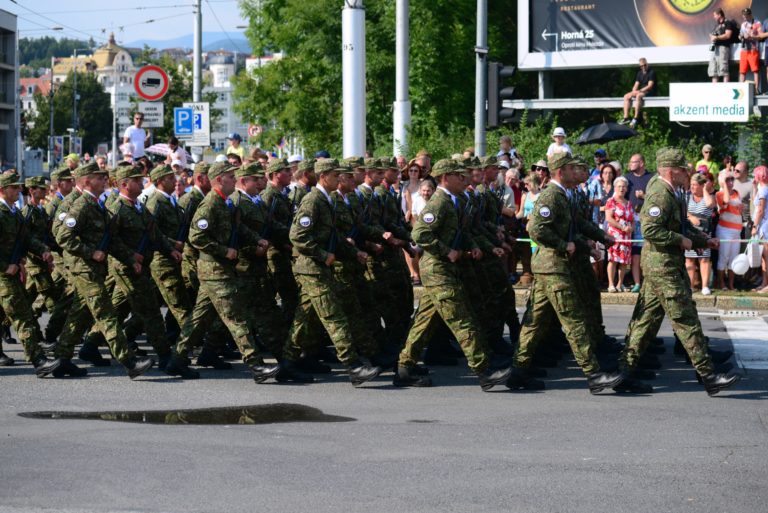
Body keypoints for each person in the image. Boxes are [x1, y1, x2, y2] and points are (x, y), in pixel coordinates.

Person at [619, 148, 739, 396]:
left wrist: (703, 241)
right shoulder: (661, 194)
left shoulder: (672, 191)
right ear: (672, 171)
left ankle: (624, 373)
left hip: (664, 264)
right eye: (683, 169)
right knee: (685, 319)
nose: (688, 173)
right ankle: (708, 375)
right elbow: (651, 230)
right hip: (662, 266)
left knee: (645, 322)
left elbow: (682, 227)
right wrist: (680, 240)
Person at [507, 152, 622, 393]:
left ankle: (518, 371)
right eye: (572, 168)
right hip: (552, 266)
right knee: (573, 320)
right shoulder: (551, 195)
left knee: (533, 322)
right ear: (561, 171)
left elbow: (578, 223)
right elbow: (536, 229)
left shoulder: (565, 194)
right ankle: (593, 373)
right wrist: (563, 245)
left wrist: (601, 237)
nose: (577, 171)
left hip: (553, 267)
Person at [394, 159, 511, 390]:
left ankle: (405, 367)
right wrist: (447, 251)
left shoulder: (454, 201)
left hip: (446, 269)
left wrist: (477, 246)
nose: (465, 178)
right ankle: (484, 369)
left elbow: (462, 231)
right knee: (461, 318)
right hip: (437, 269)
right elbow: (421, 233)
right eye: (460, 175)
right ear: (446, 177)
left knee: (426, 320)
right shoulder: (439, 202)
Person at [169, 162, 281, 383]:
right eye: (230, 176)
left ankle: (177, 360)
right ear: (219, 180)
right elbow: (196, 237)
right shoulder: (209, 204)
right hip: (214, 269)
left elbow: (238, 228)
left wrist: (256, 238)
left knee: (199, 319)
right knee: (236, 317)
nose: (234, 179)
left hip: (221, 270)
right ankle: (256, 365)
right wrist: (223, 250)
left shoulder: (225, 203)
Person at [55, 162, 154, 379]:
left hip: (95, 269)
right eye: (99, 177)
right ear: (87, 181)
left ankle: (61, 358)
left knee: (79, 315)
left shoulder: (98, 204)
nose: (104, 180)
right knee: (106, 314)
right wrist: (90, 253)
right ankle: (129, 362)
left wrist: (130, 260)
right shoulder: (81, 205)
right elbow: (63, 236)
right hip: (85, 269)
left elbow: (113, 241)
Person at [287, 158, 382, 386]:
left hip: (319, 268)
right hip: (311, 269)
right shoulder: (313, 200)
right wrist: (321, 254)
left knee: (303, 320)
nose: (339, 178)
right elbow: (297, 236)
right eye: (334, 175)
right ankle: (353, 367)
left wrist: (352, 252)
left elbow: (333, 237)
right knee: (334, 316)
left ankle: (287, 363)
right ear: (323, 177)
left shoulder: (326, 199)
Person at [0, 171, 60, 374]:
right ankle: (38, 360)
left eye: (19, 187)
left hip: (13, 271)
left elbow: (25, 239)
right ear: (2, 190)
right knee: (23, 316)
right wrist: (4, 266)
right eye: (14, 187)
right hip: (4, 274)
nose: (19, 190)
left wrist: (42, 249)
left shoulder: (14, 212)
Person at [625, 154, 653, 292]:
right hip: (631, 221)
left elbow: (657, 198)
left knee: (648, 253)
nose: (630, 164)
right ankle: (636, 283)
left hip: (648, 220)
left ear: (641, 163)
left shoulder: (652, 178)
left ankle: (649, 283)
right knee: (635, 254)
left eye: (633, 162)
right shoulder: (627, 178)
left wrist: (643, 196)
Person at [685, 173, 716, 295]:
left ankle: (704, 286)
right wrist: (691, 217)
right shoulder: (687, 197)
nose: (692, 187)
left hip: (704, 233)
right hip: (690, 233)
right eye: (691, 184)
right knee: (690, 259)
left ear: (701, 185)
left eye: (695, 185)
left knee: (704, 259)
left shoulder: (709, 197)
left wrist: (704, 190)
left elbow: (709, 205)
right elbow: (683, 212)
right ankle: (690, 286)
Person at [605, 176, 634, 292]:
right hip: (615, 234)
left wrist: (630, 228)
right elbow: (609, 218)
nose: (622, 188)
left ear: (627, 189)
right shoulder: (611, 201)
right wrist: (622, 227)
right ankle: (611, 284)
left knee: (624, 261)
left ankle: (619, 284)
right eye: (619, 186)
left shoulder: (629, 203)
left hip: (626, 236)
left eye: (624, 186)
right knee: (613, 259)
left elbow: (632, 219)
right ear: (615, 188)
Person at [715, 170, 743, 290]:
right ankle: (722, 284)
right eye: (727, 180)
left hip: (737, 231)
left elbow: (738, 210)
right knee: (723, 258)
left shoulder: (736, 193)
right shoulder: (719, 194)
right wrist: (724, 185)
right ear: (722, 181)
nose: (731, 182)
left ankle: (731, 285)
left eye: (732, 179)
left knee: (734, 258)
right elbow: (726, 201)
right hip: (724, 230)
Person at [620, 57, 656, 128]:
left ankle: (635, 118)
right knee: (626, 96)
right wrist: (632, 92)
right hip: (641, 91)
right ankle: (626, 118)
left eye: (644, 65)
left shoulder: (651, 72)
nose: (643, 67)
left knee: (638, 95)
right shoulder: (639, 73)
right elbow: (636, 85)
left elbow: (650, 86)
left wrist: (639, 91)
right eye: (641, 66)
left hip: (650, 92)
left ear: (647, 64)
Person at [750, 165, 768, 292]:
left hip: (764, 226)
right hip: (763, 225)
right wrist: (755, 187)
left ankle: (766, 285)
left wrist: (755, 226)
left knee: (766, 257)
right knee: (764, 257)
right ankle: (764, 283)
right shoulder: (762, 189)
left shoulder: (764, 191)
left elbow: (760, 210)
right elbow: (755, 204)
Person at [709, 8, 737, 82]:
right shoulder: (717, 25)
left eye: (715, 15)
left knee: (723, 69)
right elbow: (713, 35)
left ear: (719, 15)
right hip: (715, 48)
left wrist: (717, 37)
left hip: (723, 48)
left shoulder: (728, 23)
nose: (714, 17)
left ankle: (726, 90)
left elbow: (728, 35)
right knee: (713, 70)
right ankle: (714, 91)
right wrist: (712, 36)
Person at [738, 7, 762, 84]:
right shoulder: (743, 24)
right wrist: (741, 36)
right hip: (744, 50)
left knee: (755, 70)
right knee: (742, 71)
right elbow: (740, 35)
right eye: (743, 15)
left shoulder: (757, 23)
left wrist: (751, 37)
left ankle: (756, 89)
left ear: (750, 14)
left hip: (753, 49)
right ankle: (741, 88)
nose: (744, 17)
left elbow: (760, 36)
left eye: (746, 15)